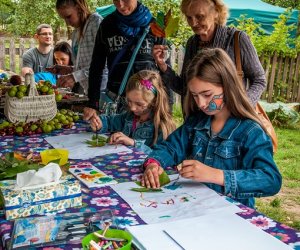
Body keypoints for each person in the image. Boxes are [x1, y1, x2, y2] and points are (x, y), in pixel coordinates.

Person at [141, 48, 282, 208]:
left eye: (207, 94)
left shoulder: (250, 131)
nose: (200, 103)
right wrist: (154, 164)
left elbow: (271, 180)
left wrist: (217, 175)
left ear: (227, 86)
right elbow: (170, 148)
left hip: (232, 216)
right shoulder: (195, 123)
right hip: (194, 208)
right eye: (195, 95)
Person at [153, 0, 266, 106]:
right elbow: (184, 88)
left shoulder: (237, 39)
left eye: (200, 16)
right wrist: (163, 66)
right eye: (189, 17)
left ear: (216, 12)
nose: (193, 23)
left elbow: (259, 80)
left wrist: (241, 106)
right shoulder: (192, 43)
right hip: (197, 122)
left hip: (230, 122)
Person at [84, 0, 173, 121]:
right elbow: (96, 66)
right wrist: (92, 103)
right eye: (115, 0)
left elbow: (165, 67)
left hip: (148, 104)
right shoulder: (107, 25)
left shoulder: (155, 25)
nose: (120, 5)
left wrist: (168, 107)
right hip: (118, 102)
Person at [89, 70, 176, 154]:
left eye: (139, 104)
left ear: (154, 101)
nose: (132, 108)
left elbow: (162, 155)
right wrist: (99, 123)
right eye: (129, 101)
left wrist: (134, 143)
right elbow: (109, 121)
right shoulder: (129, 117)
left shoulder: (162, 126)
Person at [55, 0, 106, 94]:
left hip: (103, 89)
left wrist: (74, 77)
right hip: (89, 90)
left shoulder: (95, 22)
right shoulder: (75, 33)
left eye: (69, 16)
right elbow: (86, 66)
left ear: (78, 8)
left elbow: (105, 64)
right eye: (64, 19)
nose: (67, 22)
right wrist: (69, 69)